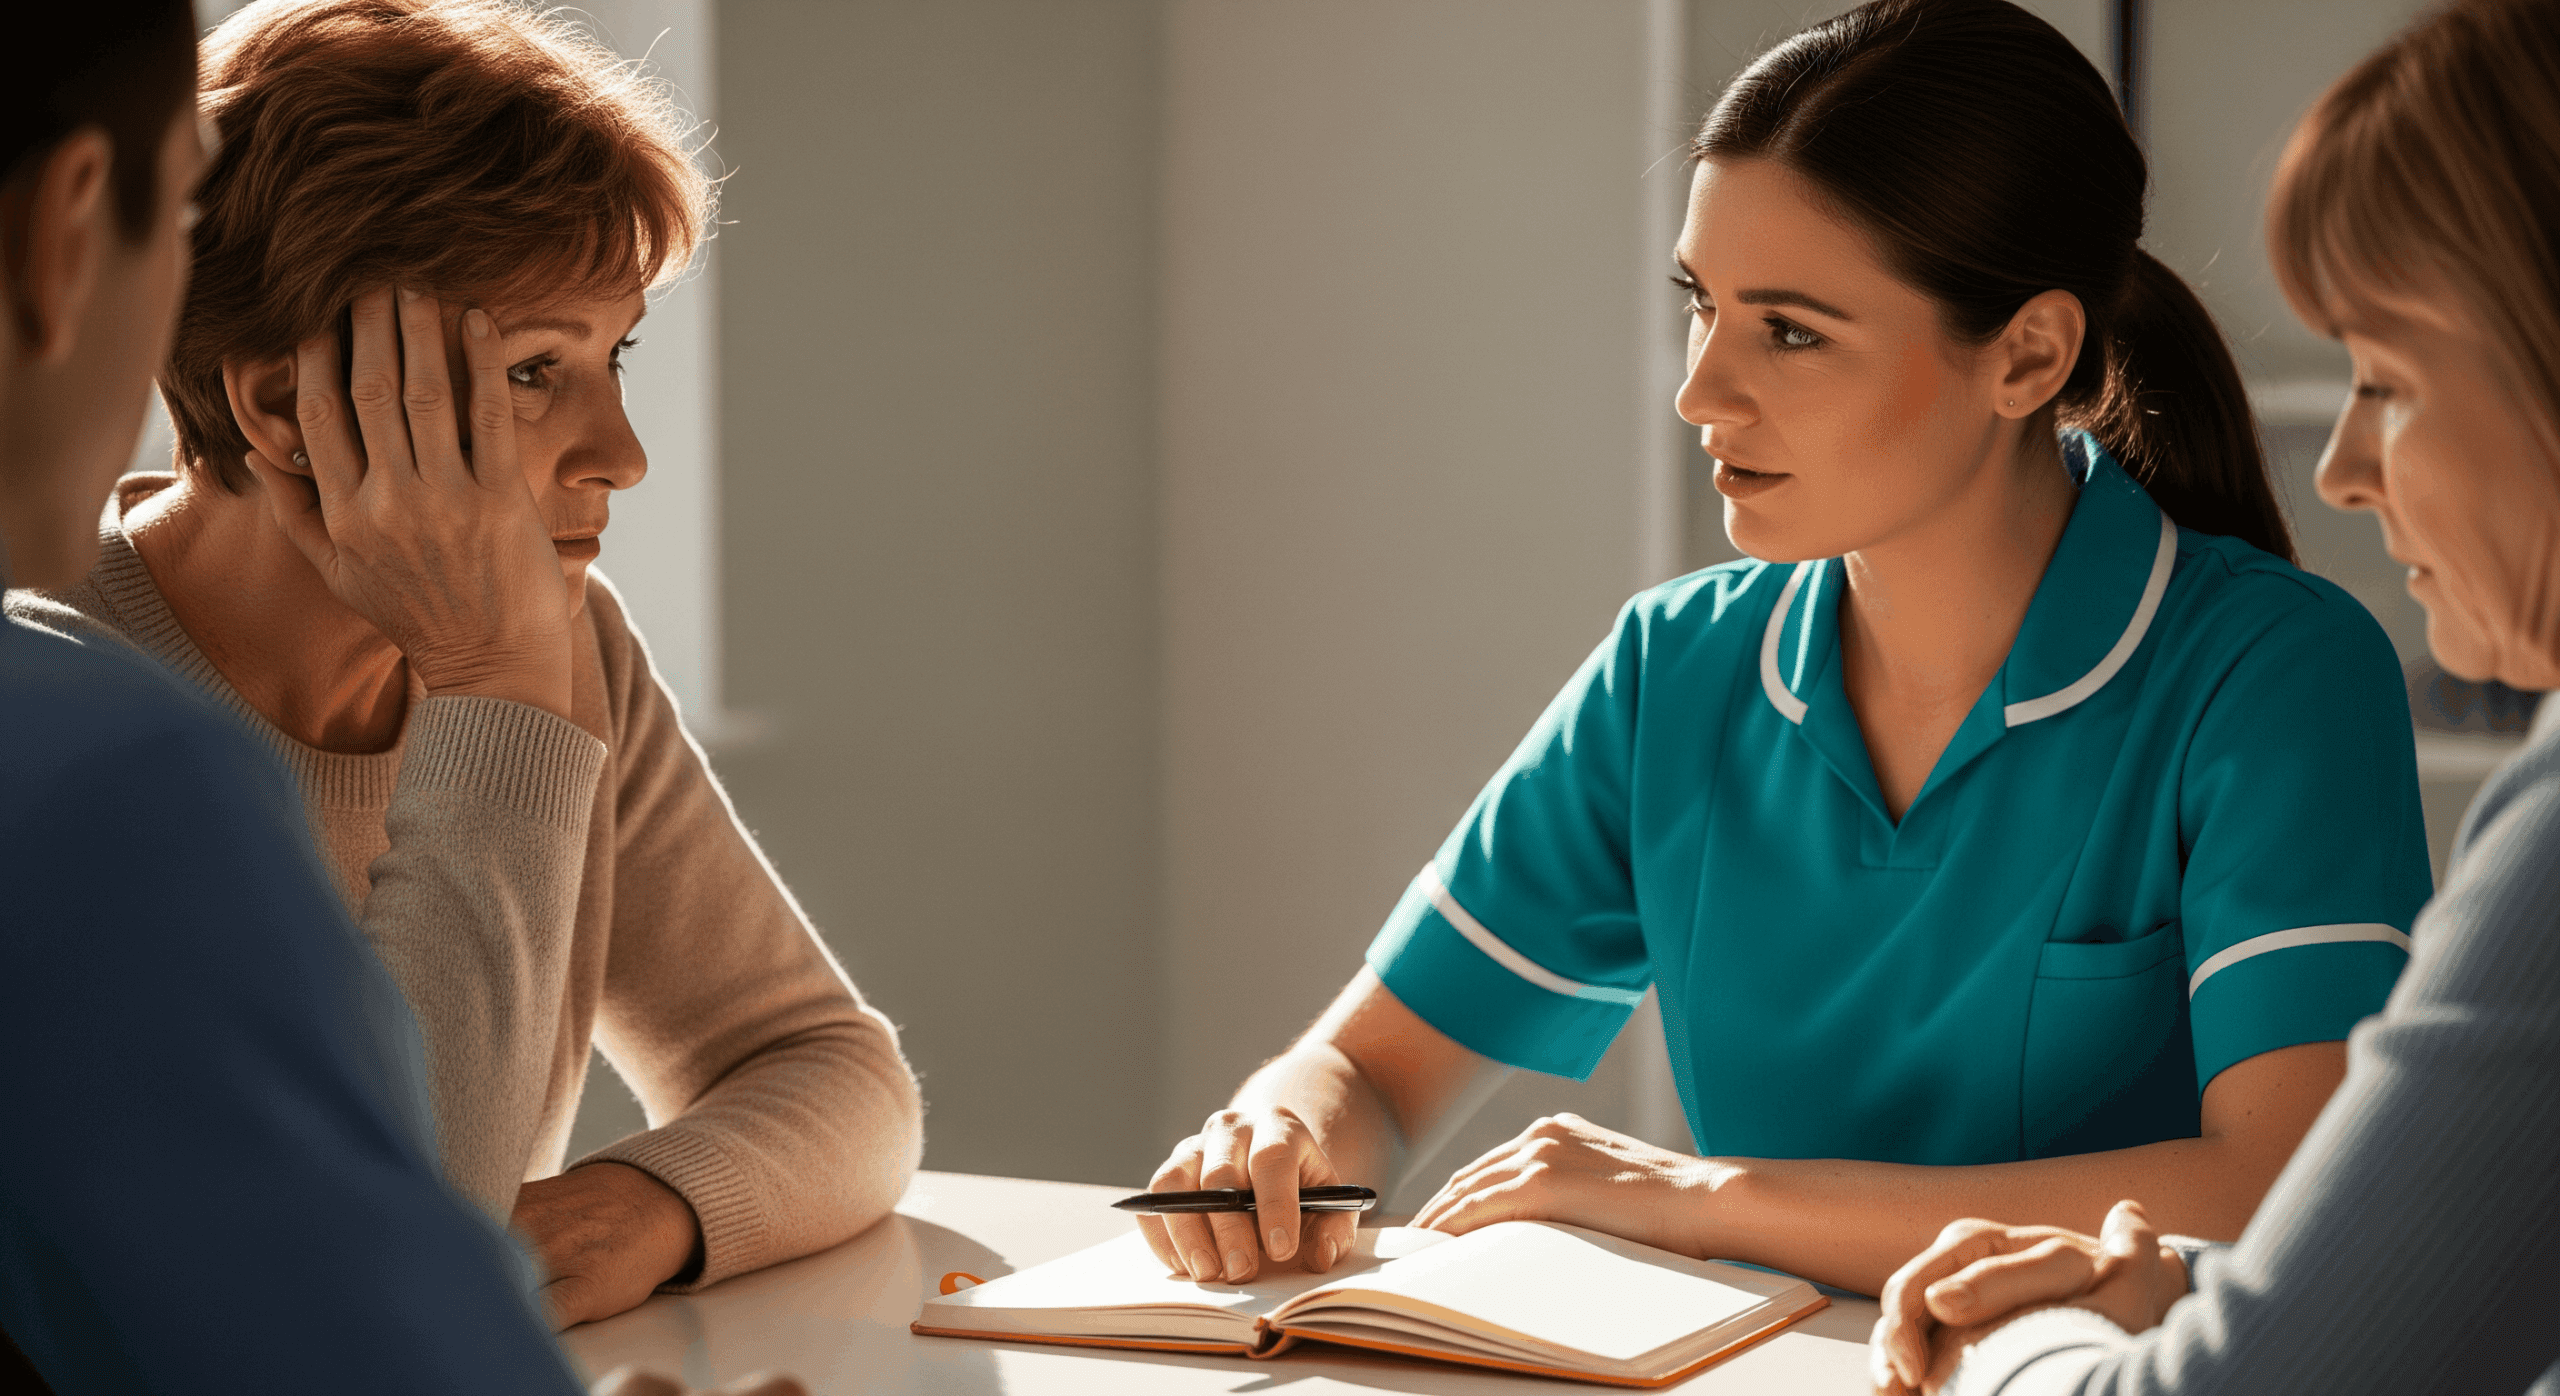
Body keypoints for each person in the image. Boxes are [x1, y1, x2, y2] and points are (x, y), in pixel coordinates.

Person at [1137, 0, 2435, 1300]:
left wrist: (1712, 1202)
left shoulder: (2274, 679)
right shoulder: (1674, 673)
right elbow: (1372, 1066)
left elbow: (2288, 1184)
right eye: (1703, 304)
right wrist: (1286, 1131)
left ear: (2029, 355)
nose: (1702, 390)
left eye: (1793, 331)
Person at [6, 0, 924, 1331]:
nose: (623, 451)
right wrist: (492, 683)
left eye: (615, 355)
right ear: (280, 409)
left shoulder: (567, 650)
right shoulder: (60, 706)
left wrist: (661, 1204)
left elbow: (831, 1069)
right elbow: (369, 1257)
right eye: (539, 370)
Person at [1866, 0, 2560, 1390]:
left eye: (2387, 376)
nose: (2345, 469)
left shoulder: (2291, 675)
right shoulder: (1674, 653)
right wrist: (2199, 1287)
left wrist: (2010, 1341)